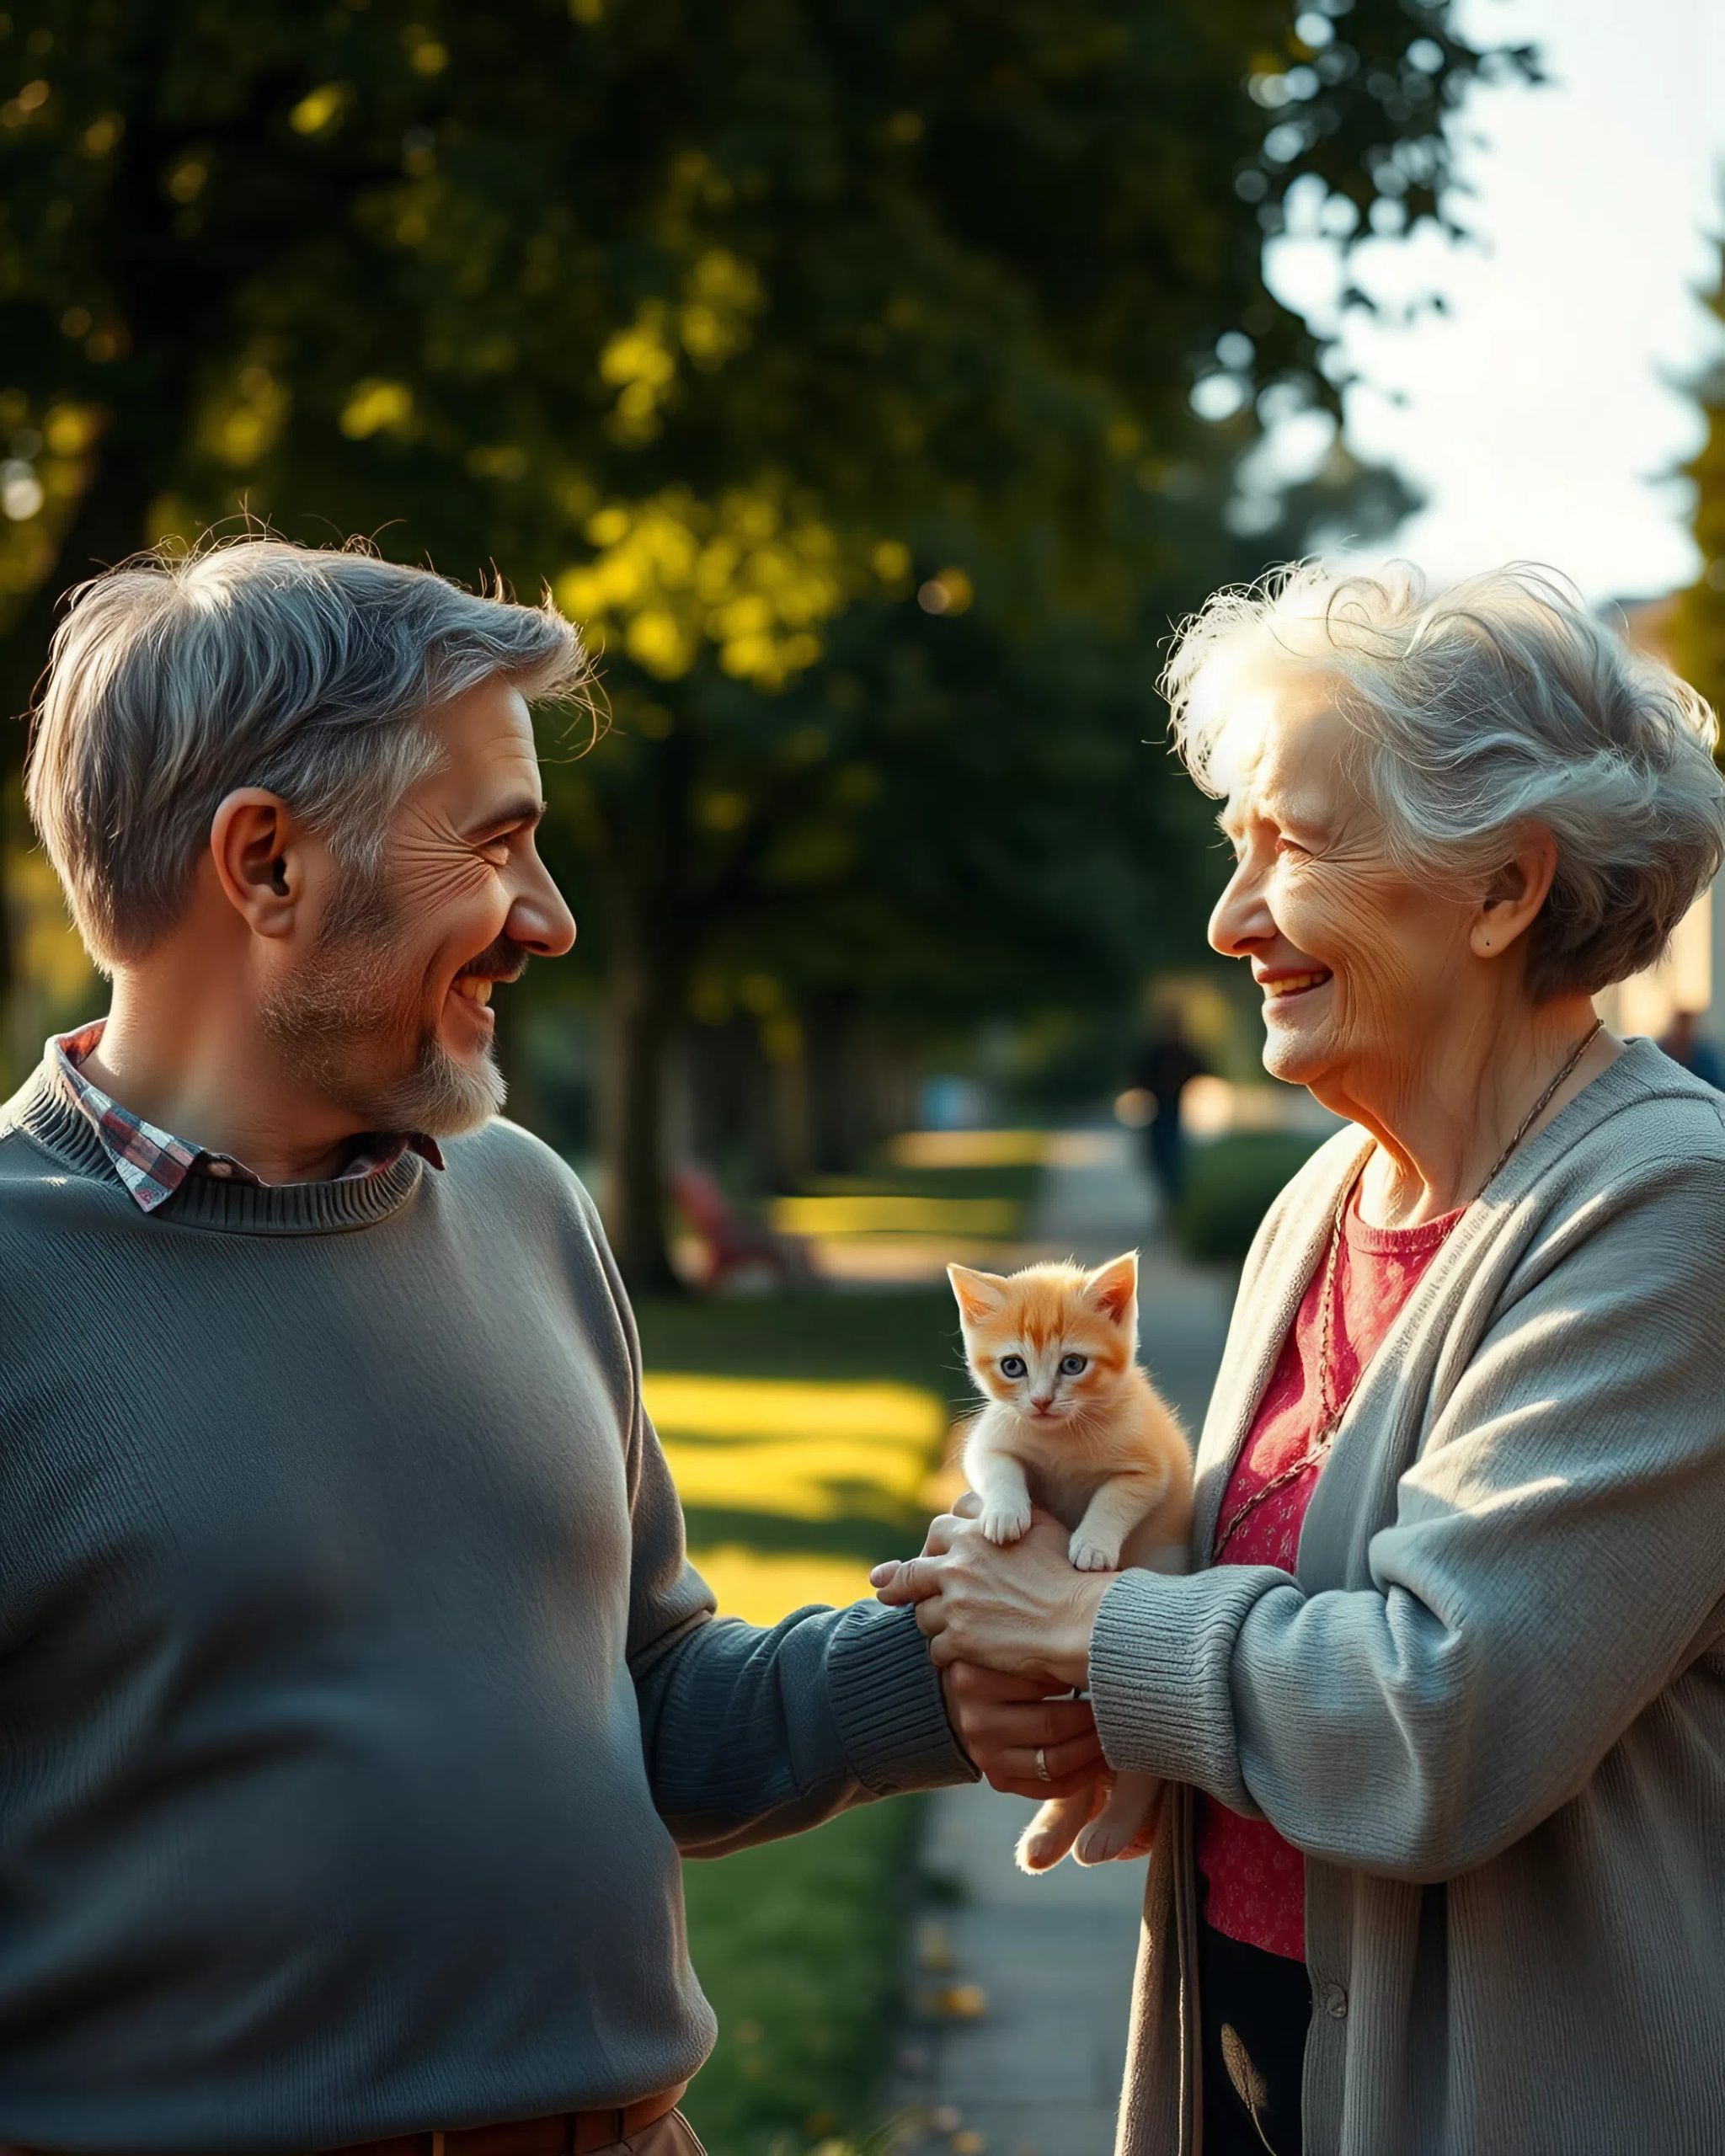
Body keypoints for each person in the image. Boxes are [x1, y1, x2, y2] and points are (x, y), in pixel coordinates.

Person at [0, 538, 1099, 2156]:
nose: (553, 919)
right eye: (498, 842)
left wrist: (945, 1669)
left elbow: (644, 1700)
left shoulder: (521, 1200)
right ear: (265, 864)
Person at [873, 561, 1725, 2156]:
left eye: (1296, 846)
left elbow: (1434, 1718)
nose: (1228, 917)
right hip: (1253, 2059)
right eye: (1233, 848)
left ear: (1500, 889)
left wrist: (1085, 1622)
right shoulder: (1324, 1195)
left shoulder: (1672, 1214)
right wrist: (1087, 1707)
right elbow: (1231, 1577)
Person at [1129, 1005, 1205, 1210]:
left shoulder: (1180, 1052)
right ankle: (1171, 1202)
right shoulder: (1159, 1052)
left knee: (1171, 1158)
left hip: (1172, 1112)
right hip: (1160, 1111)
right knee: (1162, 1157)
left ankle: (1173, 1203)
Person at [1657, 1003, 1725, 1089]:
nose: (1682, 1032)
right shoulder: (1659, 1052)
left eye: (1686, 1027)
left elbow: (1717, 1089)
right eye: (1680, 1026)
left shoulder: (1705, 1058)